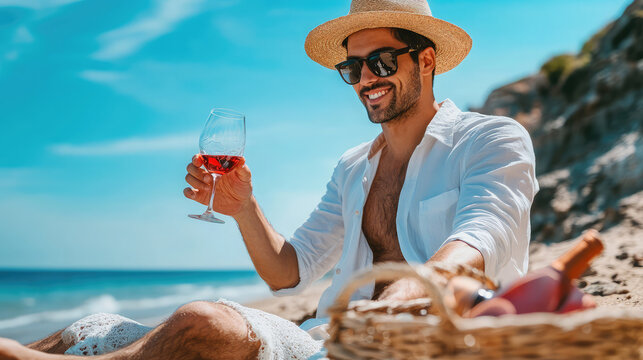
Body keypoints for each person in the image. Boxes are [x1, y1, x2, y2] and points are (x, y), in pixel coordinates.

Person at [0, 0, 538, 359]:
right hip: (327, 344)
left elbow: (478, 237)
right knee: (96, 325)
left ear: (426, 60)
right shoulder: (354, 166)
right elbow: (290, 274)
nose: (365, 80)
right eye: (352, 69)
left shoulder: (490, 139)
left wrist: (407, 292)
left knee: (205, 321)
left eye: (381, 61)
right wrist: (242, 207)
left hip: (428, 344)